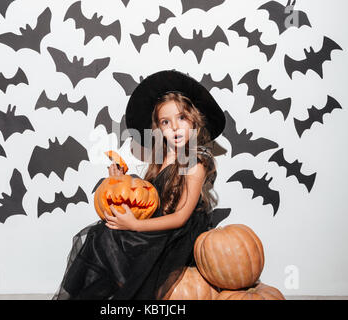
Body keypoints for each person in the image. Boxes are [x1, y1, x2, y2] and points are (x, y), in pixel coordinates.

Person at [52, 69, 226, 300]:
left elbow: (180, 217)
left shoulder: (194, 161)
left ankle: (129, 288)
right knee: (102, 233)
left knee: (112, 237)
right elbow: (152, 196)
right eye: (166, 122)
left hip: (175, 236)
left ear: (195, 120)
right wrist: (121, 179)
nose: (174, 127)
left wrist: (134, 225)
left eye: (181, 118)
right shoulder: (164, 157)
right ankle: (117, 288)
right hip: (156, 225)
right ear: (159, 129)